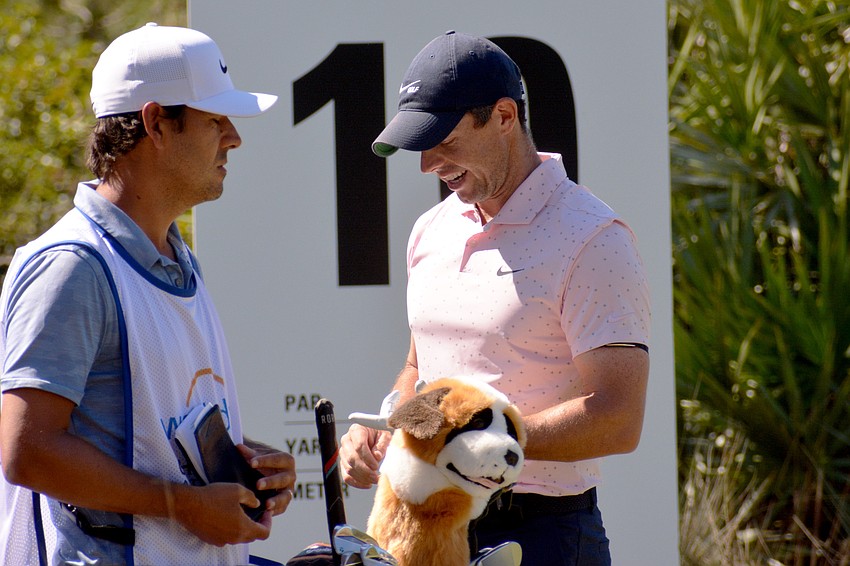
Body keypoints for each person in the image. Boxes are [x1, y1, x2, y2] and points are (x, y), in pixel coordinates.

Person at [339, 31, 650, 565]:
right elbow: (421, 367)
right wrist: (393, 426)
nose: (427, 164)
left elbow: (619, 416)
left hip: (544, 534)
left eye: (444, 140)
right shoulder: (428, 230)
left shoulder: (594, 237)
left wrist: (481, 446)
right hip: (429, 527)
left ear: (505, 116)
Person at [0, 23, 296, 565]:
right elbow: (27, 452)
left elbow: (149, 435)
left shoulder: (176, 258)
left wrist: (241, 465)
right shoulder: (72, 267)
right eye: (215, 120)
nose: (234, 137)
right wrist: (181, 505)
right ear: (157, 122)